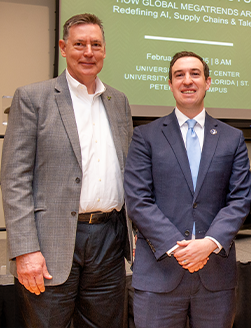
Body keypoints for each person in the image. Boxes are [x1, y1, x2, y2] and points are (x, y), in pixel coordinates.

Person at [1, 13, 133, 328]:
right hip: (51, 245)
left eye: (96, 45)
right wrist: (25, 249)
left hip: (109, 240)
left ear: (104, 50)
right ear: (63, 47)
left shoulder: (119, 101)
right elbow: (15, 179)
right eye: (79, 44)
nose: (88, 52)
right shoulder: (33, 98)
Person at [124, 51, 251, 328]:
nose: (187, 81)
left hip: (215, 276)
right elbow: (138, 200)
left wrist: (208, 244)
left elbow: (240, 199)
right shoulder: (145, 136)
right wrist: (177, 247)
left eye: (195, 73)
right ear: (169, 84)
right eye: (179, 75)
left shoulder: (232, 138)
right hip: (159, 273)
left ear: (208, 82)